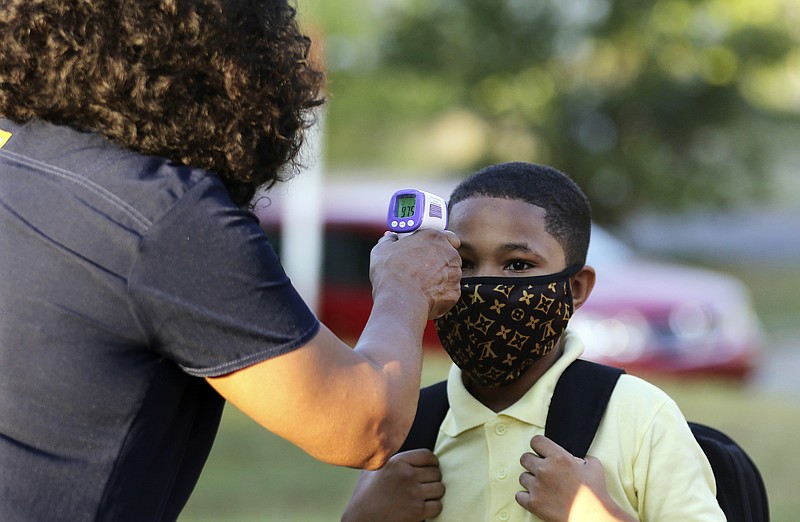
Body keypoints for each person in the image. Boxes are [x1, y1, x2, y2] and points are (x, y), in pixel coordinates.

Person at [0, 1, 461, 520]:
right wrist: (405, 285)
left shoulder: (17, 159)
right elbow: (365, 425)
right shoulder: (165, 212)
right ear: (230, 66)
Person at [341, 162, 726, 522]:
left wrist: (589, 512)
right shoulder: (407, 427)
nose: (484, 287)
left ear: (575, 288)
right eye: (465, 264)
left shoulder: (640, 416)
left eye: (518, 265)